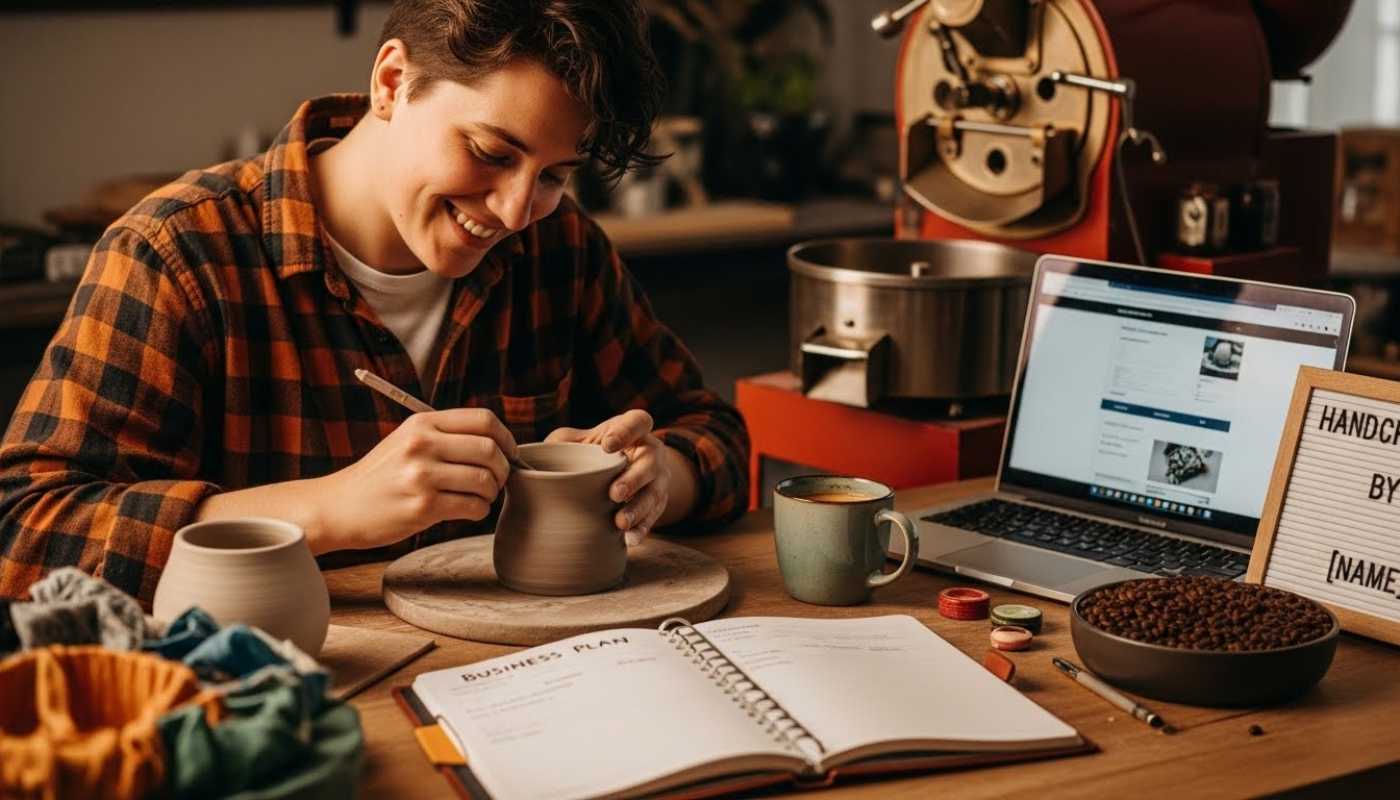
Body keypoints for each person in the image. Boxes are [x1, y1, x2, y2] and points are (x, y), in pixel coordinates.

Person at [0, 0, 750, 605]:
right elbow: (29, 534)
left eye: (556, 175)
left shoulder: (560, 250)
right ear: (392, 83)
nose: (519, 210)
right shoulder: (178, 255)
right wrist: (326, 508)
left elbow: (713, 432)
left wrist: (660, 479)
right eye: (492, 153)